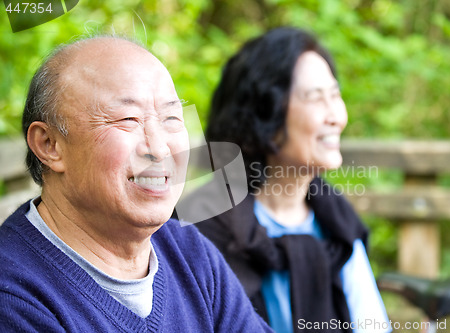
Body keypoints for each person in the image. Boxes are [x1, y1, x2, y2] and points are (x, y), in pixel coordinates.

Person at [0, 36, 272, 332]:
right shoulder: (15, 297)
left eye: (171, 117)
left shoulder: (187, 252)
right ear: (50, 145)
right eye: (128, 119)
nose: (159, 148)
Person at [192, 27, 391, 333]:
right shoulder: (203, 224)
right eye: (316, 98)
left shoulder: (336, 220)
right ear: (265, 115)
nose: (336, 116)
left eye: (335, 95)